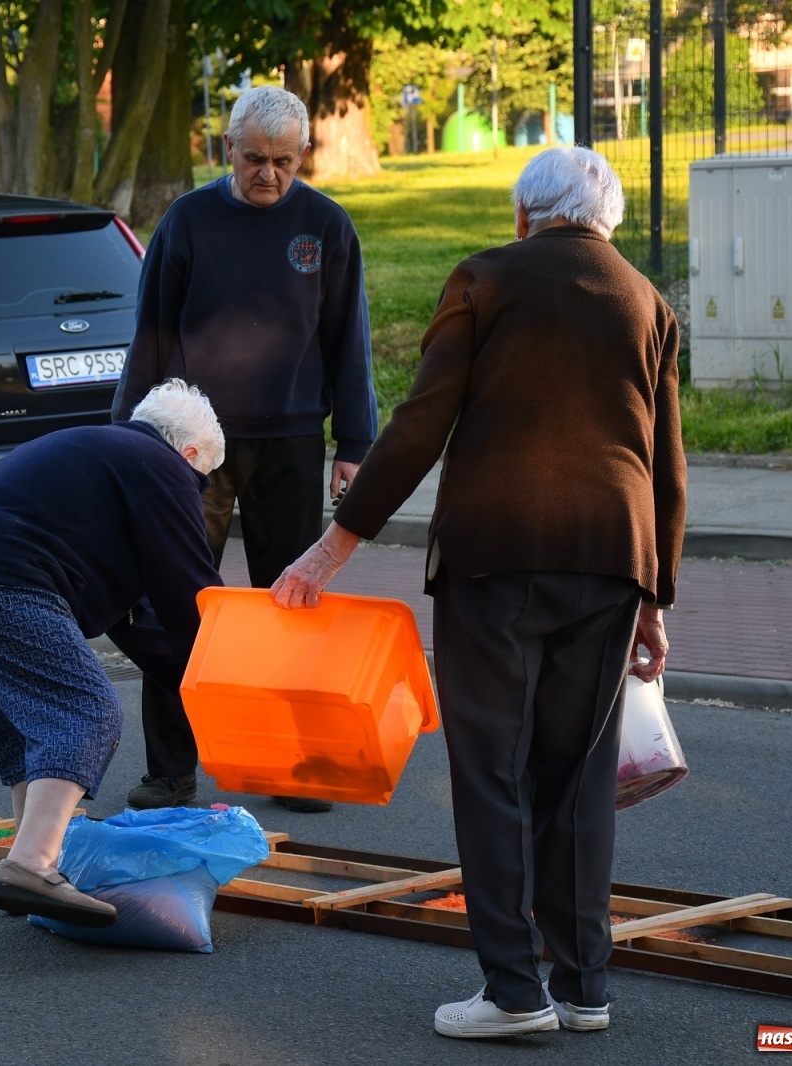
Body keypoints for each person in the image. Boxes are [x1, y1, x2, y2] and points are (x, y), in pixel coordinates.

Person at [271, 147, 686, 1037]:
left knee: (492, 769)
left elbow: (422, 423)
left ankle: (511, 990)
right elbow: (665, 465)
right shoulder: (649, 302)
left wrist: (329, 551)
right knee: (577, 778)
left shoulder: (487, 279)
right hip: (615, 556)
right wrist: (656, 597)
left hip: (494, 556)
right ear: (605, 219)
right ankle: (583, 987)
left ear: (525, 214)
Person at [111, 84, 377, 813]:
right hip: (191, 446)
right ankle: (171, 773)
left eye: (284, 162)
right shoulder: (188, 223)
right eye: (255, 159)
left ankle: (288, 764)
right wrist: (130, 438)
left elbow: (347, 339)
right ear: (226, 149)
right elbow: (152, 335)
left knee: (287, 606)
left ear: (303, 155)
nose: (269, 175)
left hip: (290, 441)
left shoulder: (325, 226)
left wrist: (354, 441)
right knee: (175, 604)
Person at [0, 380, 225, 927]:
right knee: (86, 712)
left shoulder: (103, 456)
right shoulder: (162, 466)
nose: (196, 494)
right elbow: (191, 593)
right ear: (190, 454)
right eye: (202, 483)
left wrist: (193, 685)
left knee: (20, 718)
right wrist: (228, 683)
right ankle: (31, 864)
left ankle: (23, 867)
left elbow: (139, 621)